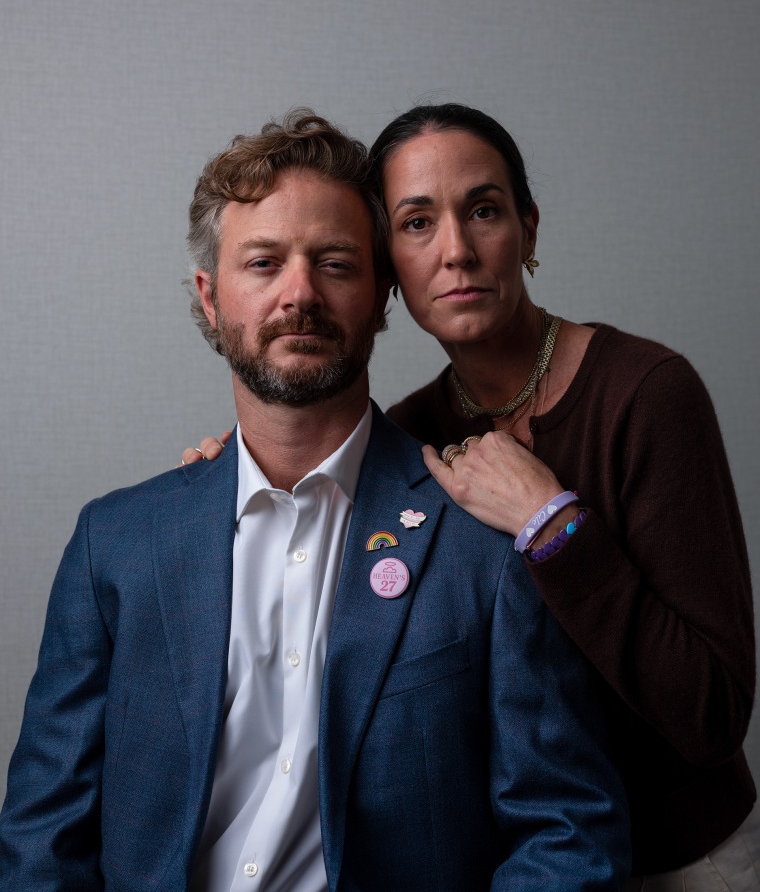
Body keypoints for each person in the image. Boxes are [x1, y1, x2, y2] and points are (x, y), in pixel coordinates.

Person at [0, 111, 631, 890]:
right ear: (210, 296)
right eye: (263, 263)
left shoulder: (483, 540)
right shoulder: (116, 544)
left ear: (381, 296)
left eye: (334, 263)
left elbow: (569, 832)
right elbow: (42, 838)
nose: (299, 293)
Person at [186, 103, 758, 889]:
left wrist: (553, 525)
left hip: (685, 857)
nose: (456, 250)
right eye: (417, 223)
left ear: (528, 229)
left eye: (484, 210)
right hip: (523, 860)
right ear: (388, 269)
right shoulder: (413, 435)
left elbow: (714, 712)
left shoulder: (646, 394)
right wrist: (233, 477)